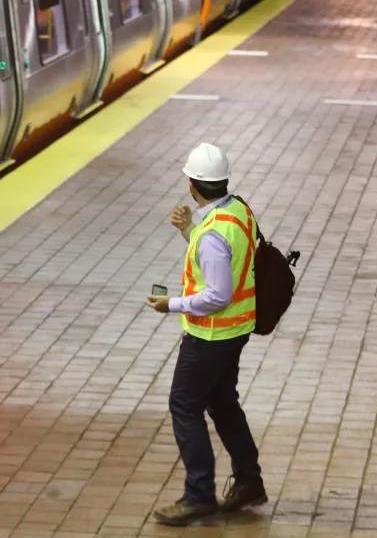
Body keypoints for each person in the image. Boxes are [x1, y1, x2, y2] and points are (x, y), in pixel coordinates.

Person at [145, 142, 268, 526]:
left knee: (184, 405)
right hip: (235, 330)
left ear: (193, 185)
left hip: (211, 336)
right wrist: (188, 228)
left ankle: (199, 495)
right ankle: (248, 482)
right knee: (222, 404)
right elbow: (222, 259)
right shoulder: (237, 210)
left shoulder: (215, 232)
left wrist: (173, 305)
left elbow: (216, 294)